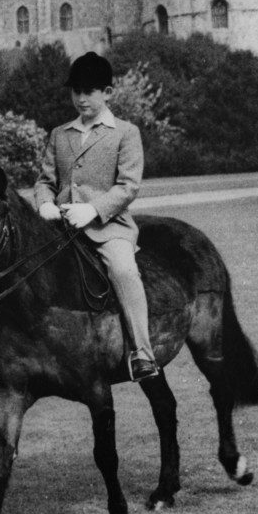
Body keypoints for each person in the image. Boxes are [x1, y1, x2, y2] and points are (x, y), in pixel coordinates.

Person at [33, 51, 159, 381]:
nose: (81, 99)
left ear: (107, 93)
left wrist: (93, 209)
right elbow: (45, 180)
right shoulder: (60, 134)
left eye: (89, 92)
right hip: (61, 227)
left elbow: (129, 186)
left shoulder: (125, 132)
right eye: (76, 91)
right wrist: (45, 202)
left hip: (108, 227)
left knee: (123, 269)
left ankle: (141, 352)